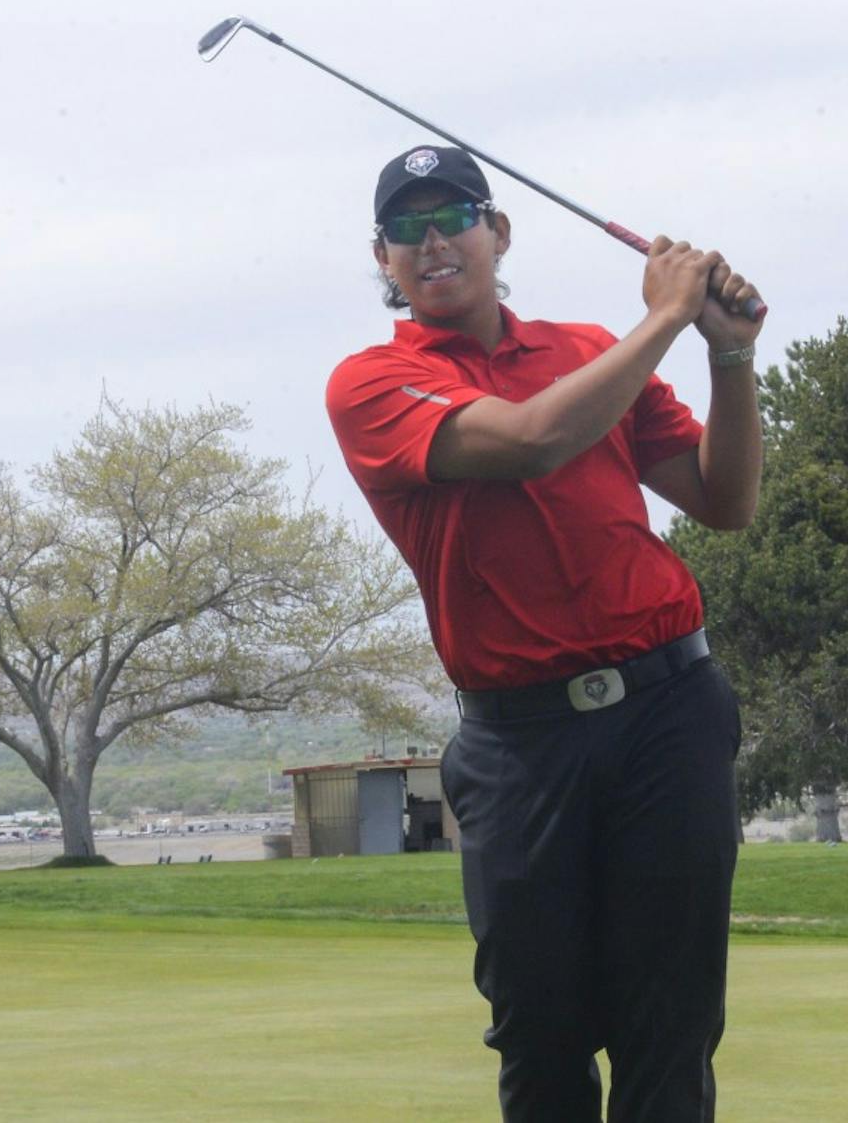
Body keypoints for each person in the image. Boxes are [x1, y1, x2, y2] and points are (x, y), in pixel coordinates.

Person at [325, 144, 764, 1122]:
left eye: (454, 218)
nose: (432, 241)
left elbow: (724, 500)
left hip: (668, 712)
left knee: (674, 1026)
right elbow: (530, 444)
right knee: (542, 1036)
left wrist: (728, 353)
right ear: (383, 258)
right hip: (520, 744)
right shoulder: (370, 384)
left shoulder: (586, 350)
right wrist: (665, 317)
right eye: (407, 228)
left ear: (499, 232)